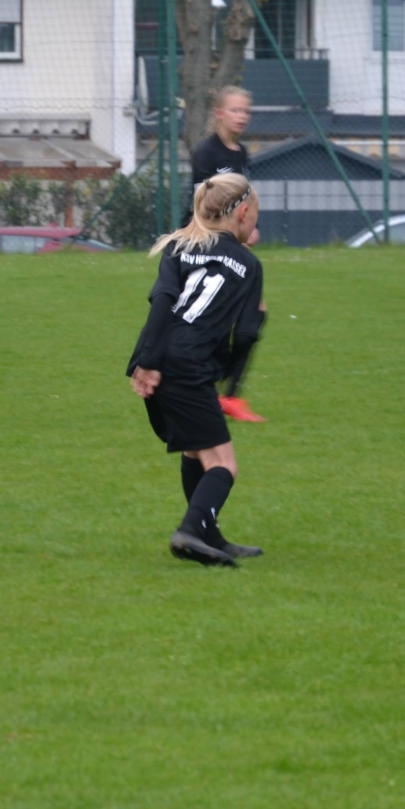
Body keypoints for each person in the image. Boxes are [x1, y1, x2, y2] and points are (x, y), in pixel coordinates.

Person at [128, 173, 267, 567]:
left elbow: (163, 302)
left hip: (158, 359)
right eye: (256, 216)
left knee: (195, 450)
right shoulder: (249, 265)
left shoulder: (179, 246)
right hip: (190, 368)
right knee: (224, 464)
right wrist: (230, 386)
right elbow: (246, 335)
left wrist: (147, 361)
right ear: (242, 213)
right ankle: (190, 532)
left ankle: (210, 534)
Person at [189, 86, 266, 424]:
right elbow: (202, 208)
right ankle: (207, 389)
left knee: (253, 321)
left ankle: (231, 396)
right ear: (219, 113)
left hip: (234, 246)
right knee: (216, 321)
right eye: (235, 110)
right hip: (206, 247)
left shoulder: (241, 154)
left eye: (246, 111)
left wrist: (248, 227)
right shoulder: (206, 153)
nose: (242, 116)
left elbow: (241, 201)